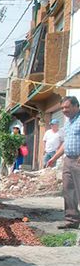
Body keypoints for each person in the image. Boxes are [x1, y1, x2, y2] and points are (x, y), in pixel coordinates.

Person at [47, 96, 80, 229]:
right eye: (62, 108)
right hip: (68, 160)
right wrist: (54, 157)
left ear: (76, 106)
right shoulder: (68, 123)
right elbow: (66, 144)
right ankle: (71, 220)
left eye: (67, 107)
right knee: (68, 190)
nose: (64, 110)